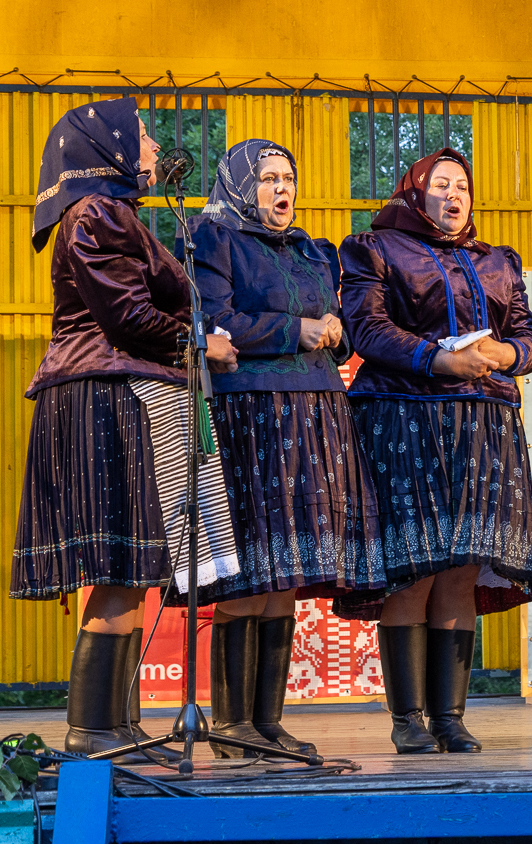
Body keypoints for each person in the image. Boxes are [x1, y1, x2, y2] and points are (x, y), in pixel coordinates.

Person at [10, 98, 238, 759]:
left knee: (130, 569)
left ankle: (117, 728)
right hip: (103, 395)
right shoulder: (97, 215)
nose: (150, 145)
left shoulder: (118, 214)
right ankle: (93, 733)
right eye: (139, 134)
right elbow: (128, 317)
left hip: (123, 392)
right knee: (116, 566)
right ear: (107, 146)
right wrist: (202, 342)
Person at [339, 147, 532, 754]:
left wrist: (507, 356)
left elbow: (528, 338)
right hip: (403, 417)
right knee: (413, 569)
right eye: (441, 184)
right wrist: (437, 357)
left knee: (460, 567)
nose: (454, 196)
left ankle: (450, 716)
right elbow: (366, 329)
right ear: (414, 192)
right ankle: (407, 717)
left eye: (463, 186)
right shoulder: (374, 249)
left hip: (483, 421)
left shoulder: (498, 262)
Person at [185, 139, 386, 757]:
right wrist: (294, 330)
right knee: (250, 563)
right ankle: (229, 721)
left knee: (286, 569)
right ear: (243, 185)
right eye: (268, 178)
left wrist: (334, 329)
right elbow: (213, 321)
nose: (282, 189)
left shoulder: (310, 249)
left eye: (289, 178)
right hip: (250, 411)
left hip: (316, 411)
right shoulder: (211, 239)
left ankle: (266, 722)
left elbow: (339, 319)